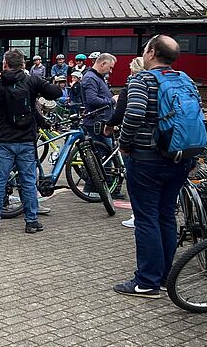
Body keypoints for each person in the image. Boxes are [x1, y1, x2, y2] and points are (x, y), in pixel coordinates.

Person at [113, 35, 199, 298]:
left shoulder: (143, 80)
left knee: (146, 218)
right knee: (166, 216)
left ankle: (146, 282)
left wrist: (125, 143)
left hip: (147, 159)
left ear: (150, 53)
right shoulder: (186, 80)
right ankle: (163, 278)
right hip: (180, 157)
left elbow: (135, 113)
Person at [0, 49, 63, 234]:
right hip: (27, 140)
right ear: (24, 64)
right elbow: (56, 92)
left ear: (5, 65)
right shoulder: (31, 81)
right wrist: (43, 85)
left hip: (4, 139)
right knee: (28, 181)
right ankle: (31, 221)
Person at [105, 56, 145, 230]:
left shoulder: (131, 88)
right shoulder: (162, 85)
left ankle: (138, 217)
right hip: (164, 145)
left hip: (138, 145)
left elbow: (121, 113)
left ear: (132, 71)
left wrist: (122, 142)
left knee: (136, 182)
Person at [82, 53, 117, 144]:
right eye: (110, 67)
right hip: (96, 122)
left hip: (100, 121)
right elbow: (92, 100)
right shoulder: (91, 78)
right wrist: (112, 101)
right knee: (106, 153)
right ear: (103, 64)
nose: (111, 71)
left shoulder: (96, 77)